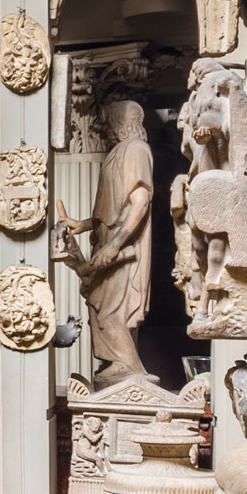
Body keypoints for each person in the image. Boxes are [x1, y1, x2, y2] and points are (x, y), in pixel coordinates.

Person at [55, 99, 154, 384]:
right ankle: (118, 364)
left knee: (110, 310)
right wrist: (84, 225)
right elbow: (113, 208)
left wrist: (115, 244)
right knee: (99, 305)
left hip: (123, 250)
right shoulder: (118, 152)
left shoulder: (135, 149)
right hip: (109, 244)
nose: (105, 128)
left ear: (121, 121)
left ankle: (131, 370)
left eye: (109, 121)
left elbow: (140, 202)